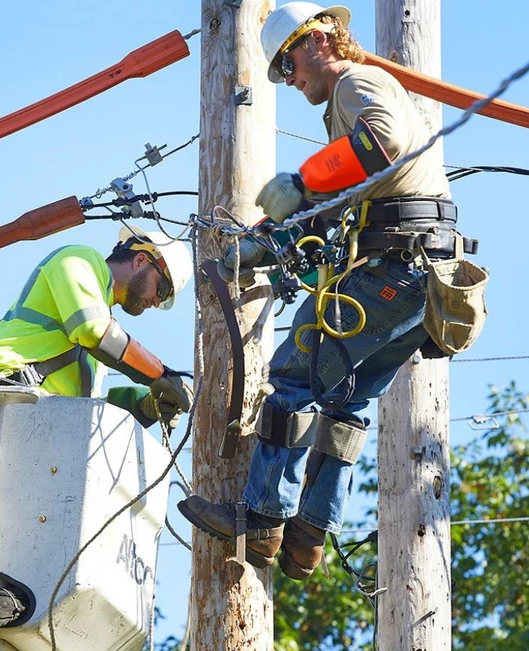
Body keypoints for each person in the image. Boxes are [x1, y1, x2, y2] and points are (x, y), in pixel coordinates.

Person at [179, 1, 476, 579]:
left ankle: (261, 518)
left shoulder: (357, 83)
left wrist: (302, 180)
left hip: (398, 266)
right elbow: (340, 199)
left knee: (294, 375)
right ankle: (307, 536)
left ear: (317, 41)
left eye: (288, 67)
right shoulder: (345, 109)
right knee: (345, 403)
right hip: (420, 281)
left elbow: (381, 144)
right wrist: (271, 237)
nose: (289, 82)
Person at [0, 225, 195, 430]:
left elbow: (86, 410)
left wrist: (143, 405)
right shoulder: (80, 260)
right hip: (7, 401)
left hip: (46, 423)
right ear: (140, 260)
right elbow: (93, 330)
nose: (157, 302)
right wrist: (160, 374)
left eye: (164, 300)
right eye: (162, 289)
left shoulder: (101, 340)